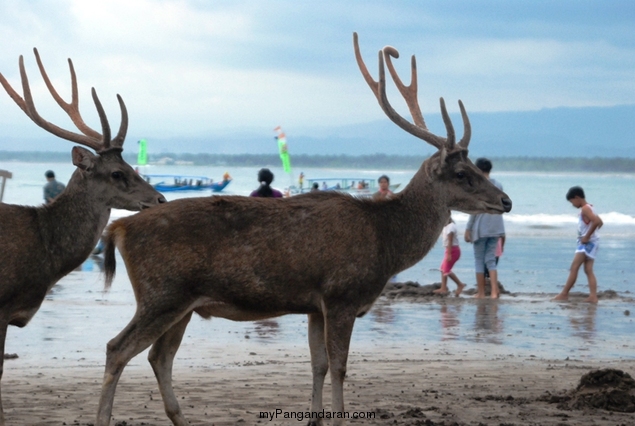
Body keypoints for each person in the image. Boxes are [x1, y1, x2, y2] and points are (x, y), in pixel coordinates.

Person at [553, 186, 603, 303]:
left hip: (586, 244)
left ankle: (564, 294)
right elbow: (600, 222)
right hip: (593, 243)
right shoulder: (591, 207)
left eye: (572, 201)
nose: (572, 204)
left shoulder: (585, 209)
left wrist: (587, 236)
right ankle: (593, 296)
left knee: (574, 268)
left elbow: (596, 222)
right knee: (588, 269)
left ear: (577, 197)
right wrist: (593, 234)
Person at [464, 158, 505, 299]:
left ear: (478, 170)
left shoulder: (478, 186)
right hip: (496, 227)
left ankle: (481, 292)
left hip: (481, 228)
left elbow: (475, 210)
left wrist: (468, 228)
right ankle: (494, 291)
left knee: (479, 260)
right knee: (490, 260)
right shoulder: (498, 185)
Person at [434, 216, 466, 296]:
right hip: (449, 250)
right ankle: (443, 287)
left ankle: (460, 284)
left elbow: (450, 240)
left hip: (453, 251)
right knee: (442, 268)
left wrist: (449, 254)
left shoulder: (450, 227)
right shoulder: (446, 226)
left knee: (446, 270)